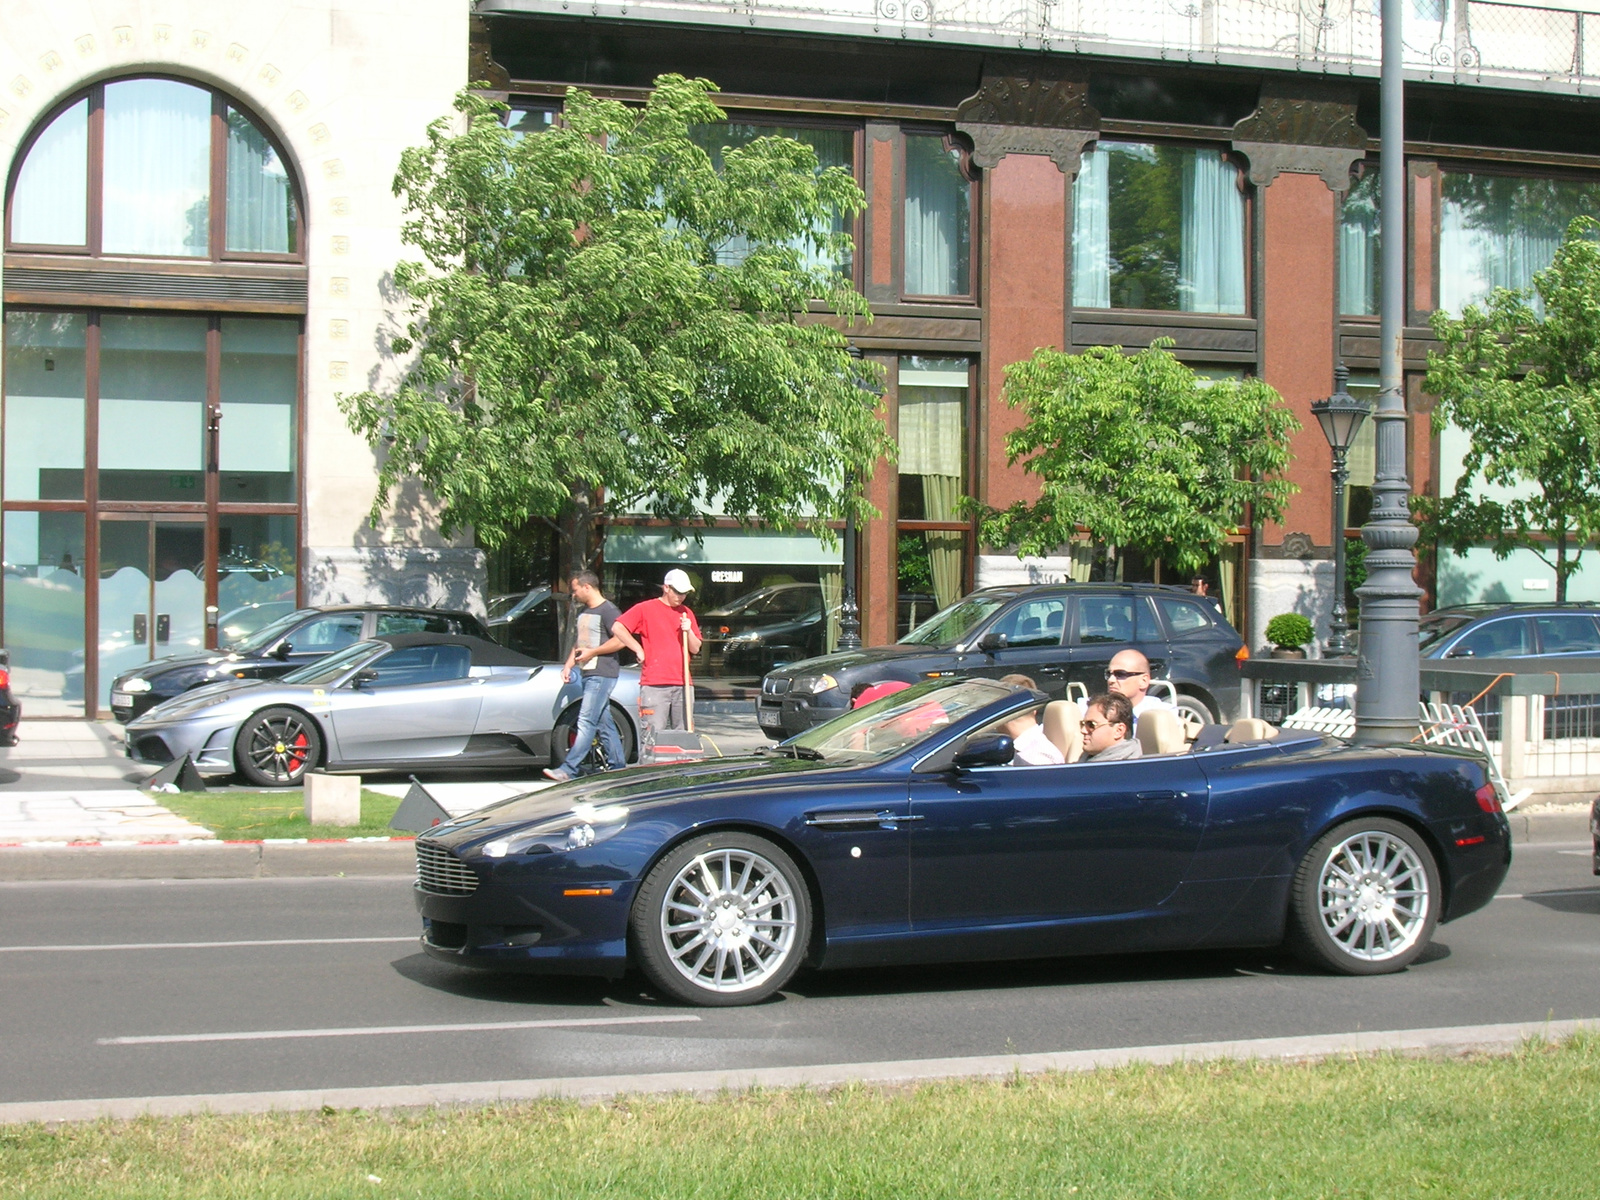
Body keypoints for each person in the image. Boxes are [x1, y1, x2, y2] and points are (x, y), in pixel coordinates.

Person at [544, 571, 643, 782]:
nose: (574, 594)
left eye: (575, 589)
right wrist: (569, 665)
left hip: (602, 673)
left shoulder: (609, 611)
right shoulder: (585, 613)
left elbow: (621, 641)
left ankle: (568, 769)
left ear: (587, 587)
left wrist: (593, 652)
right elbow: (581, 643)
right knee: (603, 722)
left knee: (586, 720)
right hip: (588, 672)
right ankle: (618, 768)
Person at [578, 567, 702, 734]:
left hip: (683, 683)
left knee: (685, 735)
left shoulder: (686, 613)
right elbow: (618, 627)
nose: (681, 597)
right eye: (678, 592)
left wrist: (689, 632)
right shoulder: (646, 608)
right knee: (653, 734)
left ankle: (683, 760)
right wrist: (638, 649)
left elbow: (695, 647)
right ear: (666, 588)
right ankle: (653, 761)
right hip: (654, 684)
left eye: (685, 593)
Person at [1105, 648, 1173, 729]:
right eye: (1108, 674)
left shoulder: (1162, 716)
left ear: (1143, 681)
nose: (1110, 680)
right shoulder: (1093, 710)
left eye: (1120, 674)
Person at [1081, 692, 1141, 762]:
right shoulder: (1085, 760)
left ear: (1118, 731)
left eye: (1091, 725)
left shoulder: (1131, 769)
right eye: (1083, 724)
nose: (1083, 730)